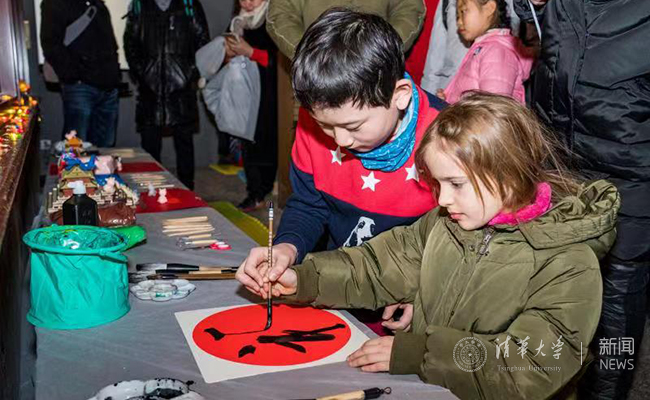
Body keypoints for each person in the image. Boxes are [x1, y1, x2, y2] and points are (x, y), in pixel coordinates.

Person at [241, 93, 619, 399]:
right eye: (438, 185)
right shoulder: (444, 223)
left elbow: (529, 369)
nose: (442, 200)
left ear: (507, 174)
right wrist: (303, 279)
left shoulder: (569, 264)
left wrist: (421, 353)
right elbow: (375, 266)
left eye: (456, 184)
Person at [236, 9, 446, 332]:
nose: (340, 141)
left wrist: (425, 290)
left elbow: (458, 240)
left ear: (400, 96)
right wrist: (287, 246)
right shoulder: (315, 127)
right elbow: (308, 205)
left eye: (354, 126)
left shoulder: (447, 139)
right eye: (326, 125)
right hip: (337, 284)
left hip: (411, 299)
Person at [514, 1, 650, 398]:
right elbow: (530, 17)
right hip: (561, 163)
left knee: (618, 305)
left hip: (631, 174)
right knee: (557, 288)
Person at [124, 0, 210, 190]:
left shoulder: (189, 4)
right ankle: (150, 191)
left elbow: (203, 42)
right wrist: (143, 73)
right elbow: (130, 43)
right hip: (150, 90)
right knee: (150, 145)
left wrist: (189, 74)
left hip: (182, 90)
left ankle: (187, 190)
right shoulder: (139, 5)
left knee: (184, 144)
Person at [40, 0, 121, 147]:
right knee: (75, 148)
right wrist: (73, 76)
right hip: (79, 87)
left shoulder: (98, 4)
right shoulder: (55, 3)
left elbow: (111, 45)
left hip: (108, 87)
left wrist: (114, 75)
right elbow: (51, 44)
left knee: (105, 148)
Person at [225, 0, 279, 212]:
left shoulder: (275, 18)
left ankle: (261, 191)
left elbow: (280, 60)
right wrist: (227, 53)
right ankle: (254, 192)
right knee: (246, 141)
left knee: (265, 141)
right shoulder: (238, 20)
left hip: (268, 91)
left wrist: (250, 52)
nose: (247, 2)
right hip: (243, 89)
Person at [439, 0, 532, 104]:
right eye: (457, 16)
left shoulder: (497, 52)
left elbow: (493, 108)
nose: (459, 22)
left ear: (489, 8)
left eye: (464, 11)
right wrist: (447, 100)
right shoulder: (482, 48)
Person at [266, 0, 426, 59]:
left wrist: (382, 49)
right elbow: (281, 16)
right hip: (318, 84)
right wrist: (312, 54)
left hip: (378, 78)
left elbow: (409, 9)